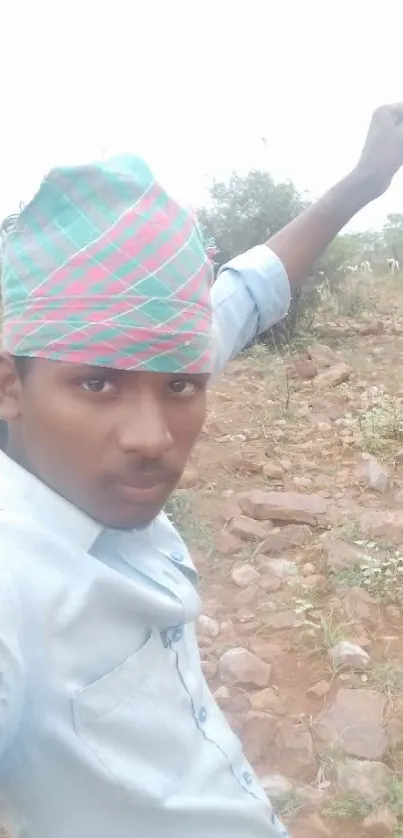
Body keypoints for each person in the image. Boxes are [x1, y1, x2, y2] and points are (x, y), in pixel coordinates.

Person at [0, 104, 402, 838]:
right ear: (9, 383)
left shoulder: (135, 359)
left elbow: (243, 295)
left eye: (183, 386)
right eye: (97, 385)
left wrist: (365, 181)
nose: (153, 437)